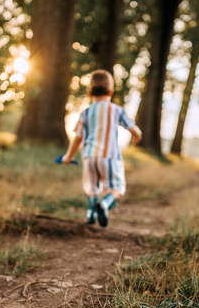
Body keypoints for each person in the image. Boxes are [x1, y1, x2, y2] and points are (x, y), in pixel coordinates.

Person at [61, 69, 142, 227]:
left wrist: (68, 156)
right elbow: (134, 129)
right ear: (111, 92)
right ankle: (104, 204)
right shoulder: (116, 110)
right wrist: (137, 136)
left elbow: (77, 138)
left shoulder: (85, 113)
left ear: (90, 92)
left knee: (92, 189)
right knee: (116, 188)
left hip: (89, 157)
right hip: (110, 157)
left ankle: (91, 213)